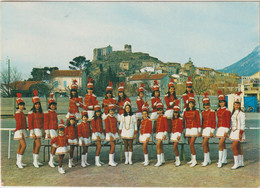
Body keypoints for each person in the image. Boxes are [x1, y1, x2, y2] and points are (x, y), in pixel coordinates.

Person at [183, 97, 201, 167]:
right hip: (188, 129)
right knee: (190, 144)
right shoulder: (185, 111)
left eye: (192, 103)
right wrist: (184, 130)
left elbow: (198, 121)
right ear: (188, 104)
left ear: (194, 104)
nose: (191, 105)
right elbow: (184, 121)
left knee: (191, 144)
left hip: (194, 128)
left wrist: (199, 130)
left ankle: (195, 160)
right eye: (190, 103)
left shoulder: (196, 111)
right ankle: (192, 159)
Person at [28, 90, 44, 168]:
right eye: (36, 104)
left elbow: (43, 122)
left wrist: (43, 131)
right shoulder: (31, 112)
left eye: (38, 104)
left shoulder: (41, 112)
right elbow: (30, 123)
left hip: (40, 130)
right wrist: (32, 132)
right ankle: (35, 161)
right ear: (33, 105)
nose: (37, 105)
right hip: (34, 130)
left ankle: (35, 160)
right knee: (38, 144)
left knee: (35, 145)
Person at [229, 92, 246, 170]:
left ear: (240, 105)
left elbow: (243, 124)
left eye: (238, 105)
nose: (237, 106)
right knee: (238, 147)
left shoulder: (242, 113)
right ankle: (241, 162)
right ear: (233, 105)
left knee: (233, 146)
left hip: (239, 131)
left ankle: (236, 163)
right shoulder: (233, 113)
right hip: (233, 131)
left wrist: (241, 133)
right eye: (235, 104)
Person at [216, 90, 231, 168]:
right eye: (220, 102)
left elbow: (228, 121)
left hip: (225, 129)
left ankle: (220, 161)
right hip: (219, 129)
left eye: (223, 102)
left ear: (225, 102)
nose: (222, 103)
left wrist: (226, 131)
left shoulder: (227, 110)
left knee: (220, 144)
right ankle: (224, 159)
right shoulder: (218, 110)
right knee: (223, 144)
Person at [44, 93, 59, 168]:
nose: (53, 106)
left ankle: (52, 160)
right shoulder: (47, 113)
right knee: (54, 145)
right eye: (52, 105)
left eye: (54, 105)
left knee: (55, 145)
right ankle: (50, 161)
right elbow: (46, 123)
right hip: (50, 131)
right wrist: (47, 132)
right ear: (49, 105)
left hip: (55, 130)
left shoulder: (55, 113)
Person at [201, 93, 216, 167]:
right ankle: (208, 159)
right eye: (205, 104)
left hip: (209, 129)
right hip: (204, 129)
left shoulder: (212, 112)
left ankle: (205, 160)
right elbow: (203, 121)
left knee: (203, 144)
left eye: (207, 104)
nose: (206, 106)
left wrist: (212, 131)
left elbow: (214, 122)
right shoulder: (203, 112)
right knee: (206, 144)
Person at [14, 93, 27, 168]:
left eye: (23, 105)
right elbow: (18, 124)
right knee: (24, 145)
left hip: (22, 130)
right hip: (19, 131)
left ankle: (18, 161)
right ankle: (19, 162)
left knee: (20, 145)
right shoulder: (18, 113)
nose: (22, 106)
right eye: (20, 105)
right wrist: (21, 132)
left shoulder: (21, 112)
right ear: (18, 106)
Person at [91, 102, 105, 166]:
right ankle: (96, 162)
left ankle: (98, 160)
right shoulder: (93, 119)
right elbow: (93, 128)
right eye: (97, 112)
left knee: (98, 147)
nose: (98, 113)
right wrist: (97, 135)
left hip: (100, 133)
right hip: (96, 134)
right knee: (99, 147)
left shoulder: (100, 119)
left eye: (99, 112)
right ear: (95, 112)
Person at [154, 102, 168, 167]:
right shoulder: (158, 117)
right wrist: (156, 134)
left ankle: (159, 161)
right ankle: (162, 159)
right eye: (158, 110)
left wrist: (165, 134)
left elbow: (166, 126)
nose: (159, 111)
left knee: (158, 145)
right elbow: (157, 127)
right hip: (158, 133)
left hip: (162, 133)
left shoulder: (164, 117)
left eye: (160, 110)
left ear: (162, 110)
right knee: (161, 146)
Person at [170, 100, 183, 167]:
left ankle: (178, 161)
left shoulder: (180, 119)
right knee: (174, 147)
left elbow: (181, 128)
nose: (175, 113)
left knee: (175, 147)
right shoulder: (172, 119)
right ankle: (177, 159)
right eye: (174, 112)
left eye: (176, 112)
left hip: (178, 134)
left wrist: (179, 135)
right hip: (173, 134)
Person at [139, 102, 152, 166]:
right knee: (144, 148)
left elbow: (150, 129)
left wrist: (148, 136)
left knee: (144, 147)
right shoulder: (142, 121)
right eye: (143, 114)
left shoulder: (149, 120)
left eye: (145, 114)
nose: (144, 115)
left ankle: (147, 161)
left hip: (147, 135)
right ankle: (146, 160)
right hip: (142, 135)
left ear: (147, 114)